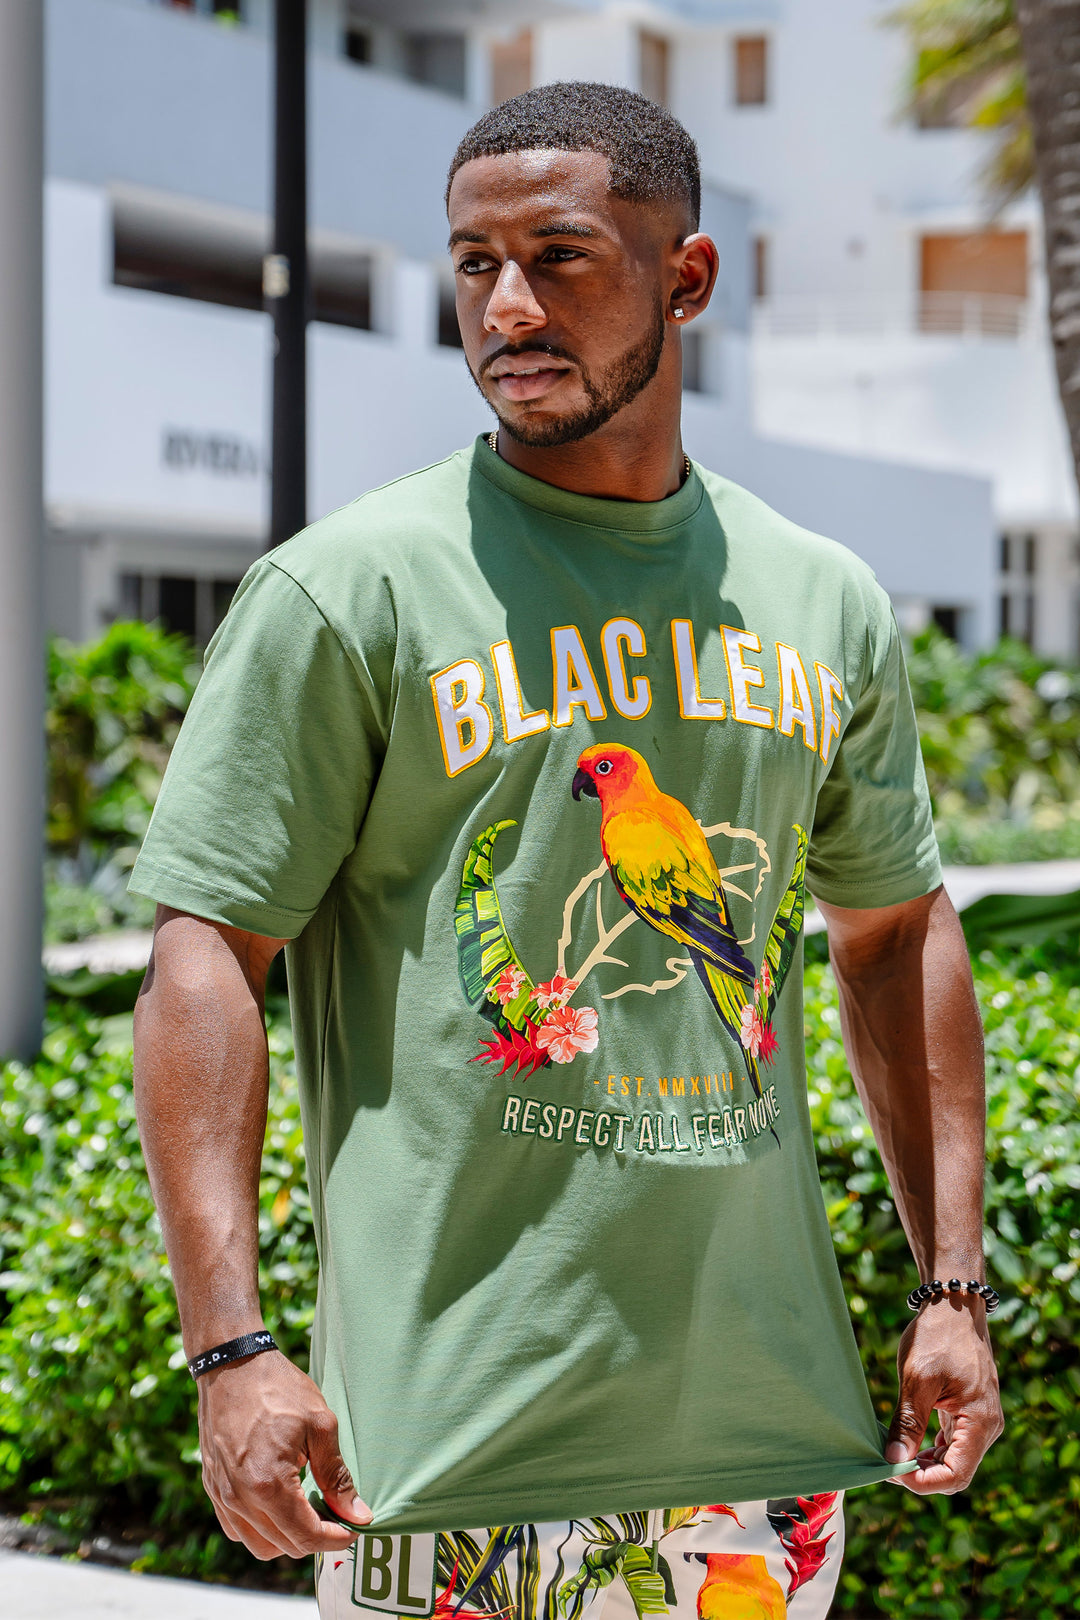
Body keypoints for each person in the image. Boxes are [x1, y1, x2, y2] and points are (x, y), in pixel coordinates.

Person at [131, 82, 1002, 1620]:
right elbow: (207, 958)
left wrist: (951, 1290)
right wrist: (233, 1350)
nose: (508, 306)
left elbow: (893, 937)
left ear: (688, 276)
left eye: (561, 256)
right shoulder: (347, 593)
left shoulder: (824, 601)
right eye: (474, 265)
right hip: (445, 1453)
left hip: (763, 1454)